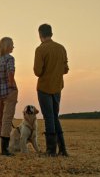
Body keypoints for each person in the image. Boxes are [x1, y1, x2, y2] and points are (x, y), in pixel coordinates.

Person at [34, 24, 69, 157]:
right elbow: (66, 69)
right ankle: (63, 149)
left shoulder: (40, 49)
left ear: (40, 34)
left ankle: (51, 150)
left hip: (44, 87)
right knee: (55, 117)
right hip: (57, 87)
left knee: (49, 117)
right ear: (51, 33)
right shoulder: (61, 48)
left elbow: (38, 71)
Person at [0, 37, 18, 156]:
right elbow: (10, 72)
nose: (13, 47)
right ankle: (5, 150)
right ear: (7, 46)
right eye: (12, 45)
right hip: (8, 91)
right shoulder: (9, 59)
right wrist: (12, 86)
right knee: (7, 120)